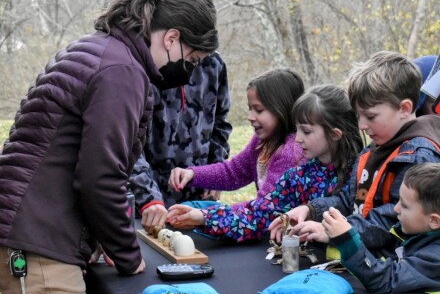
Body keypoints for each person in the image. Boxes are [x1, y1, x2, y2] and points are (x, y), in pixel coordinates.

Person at [0, 0, 219, 293]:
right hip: (40, 246)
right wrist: (128, 254)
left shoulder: (102, 51)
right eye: (192, 60)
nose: (191, 72)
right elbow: (101, 177)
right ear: (171, 38)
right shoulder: (121, 70)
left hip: (30, 229)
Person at [269, 51, 440, 258]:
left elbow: (392, 220)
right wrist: (310, 209)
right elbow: (349, 200)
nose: (361, 125)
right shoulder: (375, 148)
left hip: (392, 269)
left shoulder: (419, 156)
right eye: (359, 115)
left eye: (370, 116)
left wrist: (339, 233)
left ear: (404, 108)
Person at [167, 84, 364, 242]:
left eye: (307, 131)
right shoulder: (298, 176)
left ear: (335, 134)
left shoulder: (363, 174)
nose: (297, 139)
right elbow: (259, 214)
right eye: (297, 131)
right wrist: (206, 217)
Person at [128, 52, 232, 233]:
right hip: (147, 200)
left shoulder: (214, 64)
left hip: (197, 200)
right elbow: (128, 142)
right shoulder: (141, 65)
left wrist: (213, 174)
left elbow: (220, 123)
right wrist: (147, 195)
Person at [323, 163, 440, 293]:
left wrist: (347, 240)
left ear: (434, 221)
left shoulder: (435, 259)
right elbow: (382, 257)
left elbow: (387, 282)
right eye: (398, 201)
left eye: (405, 206)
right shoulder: (413, 233)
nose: (396, 209)